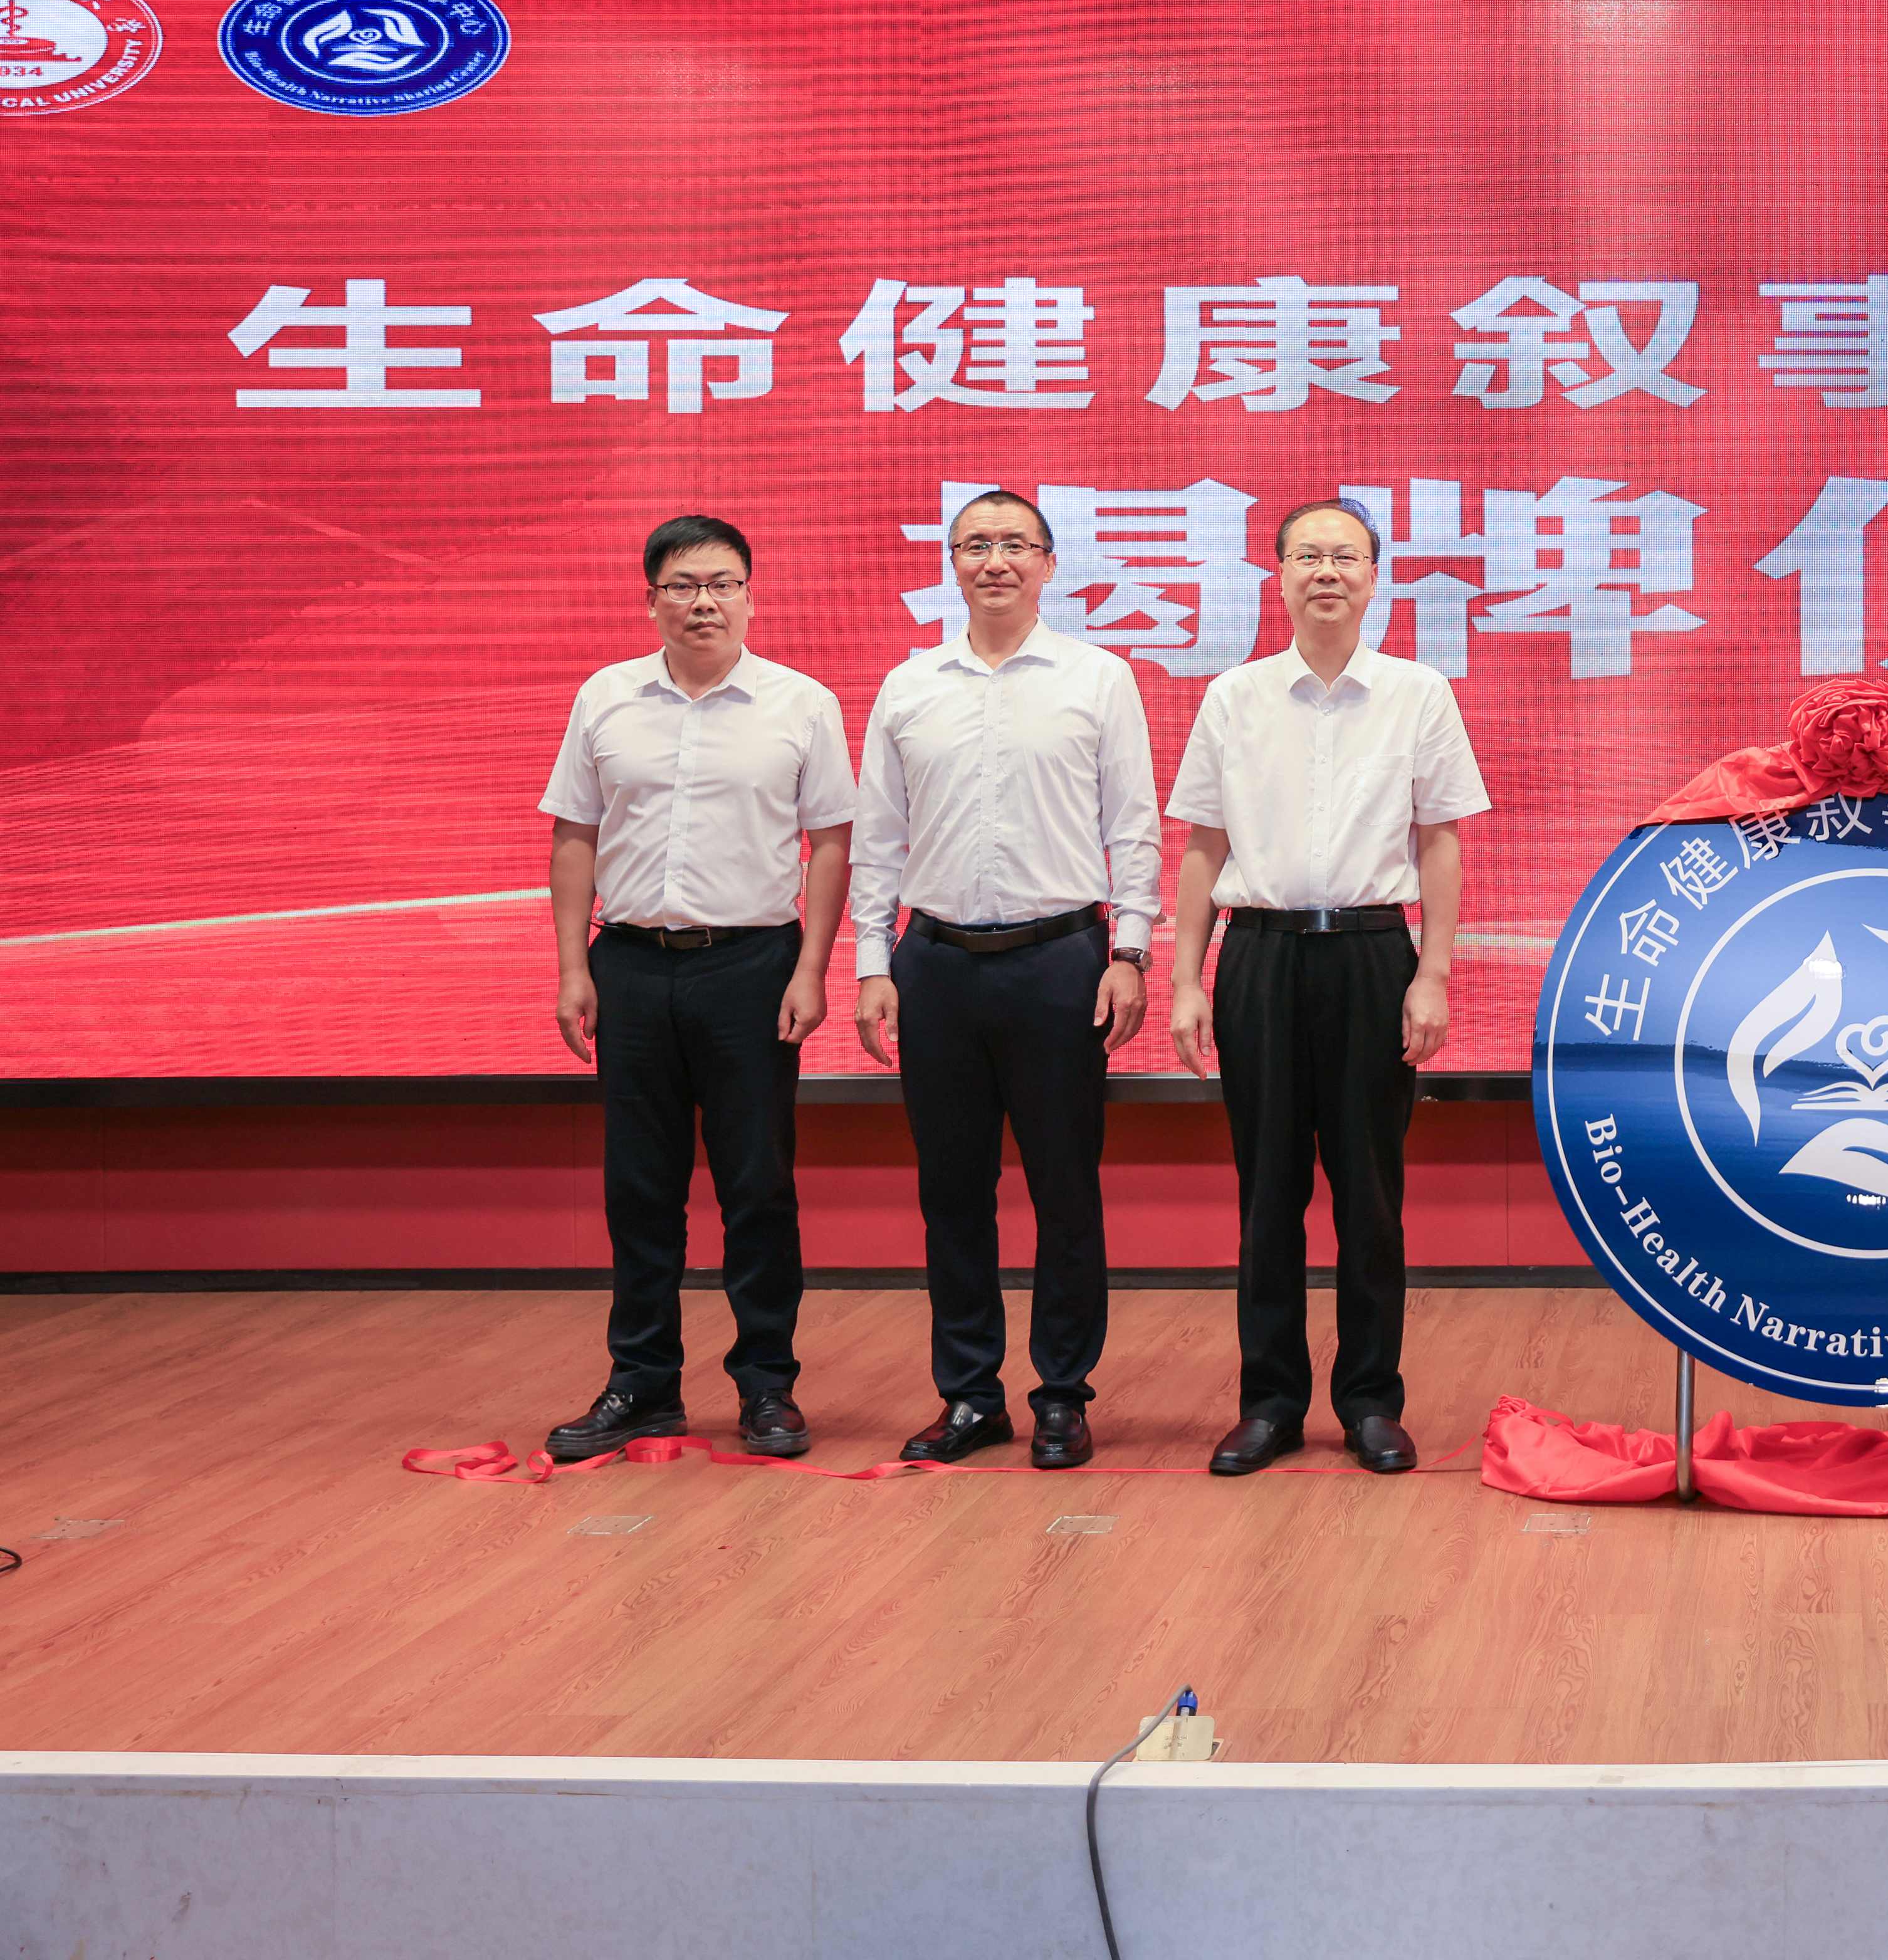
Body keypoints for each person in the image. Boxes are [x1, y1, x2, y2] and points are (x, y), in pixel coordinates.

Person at [1168, 501, 1487, 1477]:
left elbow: (1440, 840)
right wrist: (1185, 979)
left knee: (1370, 1195)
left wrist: (1433, 973)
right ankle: (1268, 1404)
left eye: (1345, 556)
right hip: (1258, 957)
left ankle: (1370, 1402)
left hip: (1371, 955)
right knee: (1267, 1193)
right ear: (1278, 576)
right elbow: (1204, 846)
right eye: (1307, 555)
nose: (1326, 572)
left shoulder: (1418, 693)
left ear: (1374, 576)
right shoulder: (1234, 695)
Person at [851, 488, 1160, 1471]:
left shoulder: (1098, 677)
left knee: (1066, 1190)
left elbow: (1133, 825)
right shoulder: (909, 685)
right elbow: (877, 839)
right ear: (951, 562)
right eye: (976, 543)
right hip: (935, 964)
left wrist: (1130, 951)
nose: (996, 560)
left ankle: (1063, 1395)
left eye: (1015, 544)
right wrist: (872, 963)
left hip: (1060, 962)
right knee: (952, 1194)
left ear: (1049, 564)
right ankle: (969, 1395)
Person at [538, 514, 853, 1462]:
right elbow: (575, 835)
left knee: (757, 1185)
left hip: (752, 967)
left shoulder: (801, 703)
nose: (703, 602)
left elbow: (831, 843)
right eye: (682, 586)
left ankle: (767, 1386)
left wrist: (812, 970)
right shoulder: (606, 697)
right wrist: (572, 966)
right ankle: (642, 1384)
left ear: (751, 596)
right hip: (631, 965)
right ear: (652, 600)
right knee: (640, 1187)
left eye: (722, 584)